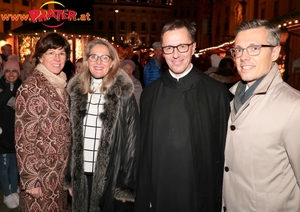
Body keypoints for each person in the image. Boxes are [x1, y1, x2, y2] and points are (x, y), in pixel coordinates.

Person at [135, 19, 231, 212]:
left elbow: (224, 151)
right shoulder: (150, 94)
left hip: (200, 193)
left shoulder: (216, 93)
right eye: (169, 48)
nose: (176, 54)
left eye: (182, 46)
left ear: (193, 47)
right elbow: (143, 150)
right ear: (162, 51)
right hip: (160, 192)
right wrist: (145, 194)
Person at [222, 19, 300, 212]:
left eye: (254, 48)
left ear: (275, 52)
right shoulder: (232, 97)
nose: (243, 57)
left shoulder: (293, 106)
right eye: (238, 50)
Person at [64, 39, 140, 212]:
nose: (98, 62)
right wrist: (71, 177)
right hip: (82, 175)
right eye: (94, 57)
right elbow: (70, 139)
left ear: (112, 62)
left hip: (111, 177)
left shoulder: (123, 94)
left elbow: (132, 142)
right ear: (87, 60)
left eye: (104, 58)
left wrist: (125, 185)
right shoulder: (76, 92)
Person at [15, 32, 71, 212]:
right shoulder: (31, 87)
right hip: (40, 176)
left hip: (58, 174)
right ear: (40, 56)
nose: (57, 58)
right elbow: (24, 140)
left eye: (62, 53)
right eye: (51, 52)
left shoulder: (62, 85)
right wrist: (31, 180)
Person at [0, 55, 22, 209]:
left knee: (15, 166)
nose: (11, 74)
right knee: (3, 167)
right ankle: (7, 193)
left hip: (17, 136)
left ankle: (14, 191)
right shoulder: (0, 87)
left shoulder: (23, 88)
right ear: (4, 72)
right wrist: (9, 91)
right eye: (8, 71)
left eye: (15, 71)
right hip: (2, 136)